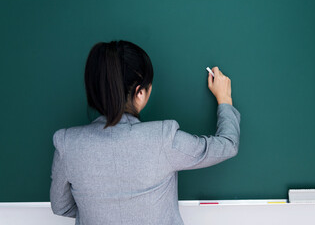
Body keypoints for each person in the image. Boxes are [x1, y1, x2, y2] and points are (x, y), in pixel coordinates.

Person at [50, 40, 241, 225]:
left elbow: (61, 207)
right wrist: (224, 99)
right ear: (140, 92)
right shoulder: (163, 139)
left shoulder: (67, 143)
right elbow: (227, 145)